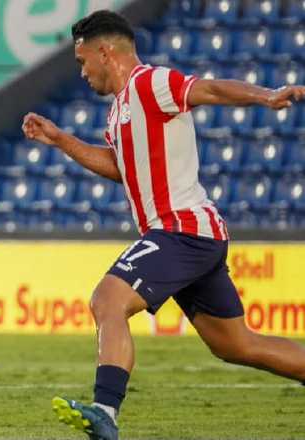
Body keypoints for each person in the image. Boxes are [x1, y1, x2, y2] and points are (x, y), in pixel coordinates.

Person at [22, 9, 305, 440]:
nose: (82, 73)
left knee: (107, 300)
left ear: (104, 52)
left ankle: (105, 411)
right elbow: (121, 167)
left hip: (181, 230)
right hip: (191, 235)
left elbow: (207, 88)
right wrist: (61, 139)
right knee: (235, 344)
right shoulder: (120, 110)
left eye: (82, 62)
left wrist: (267, 96)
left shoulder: (150, 83)